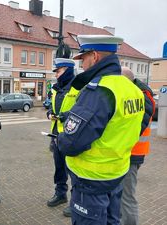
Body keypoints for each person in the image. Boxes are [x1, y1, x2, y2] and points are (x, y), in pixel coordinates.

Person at [57, 35, 146, 225]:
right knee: (112, 221)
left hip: (91, 180)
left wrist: (59, 139)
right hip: (117, 172)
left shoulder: (99, 90)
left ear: (95, 56)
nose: (81, 65)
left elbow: (72, 143)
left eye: (83, 58)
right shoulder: (132, 90)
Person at [120, 67, 155, 225]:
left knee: (127, 197)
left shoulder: (142, 97)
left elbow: (134, 129)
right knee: (122, 195)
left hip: (133, 154)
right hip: (129, 152)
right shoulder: (138, 94)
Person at [46, 58, 79, 217]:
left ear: (67, 70)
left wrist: (64, 116)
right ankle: (60, 194)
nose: (56, 74)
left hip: (72, 136)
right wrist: (50, 114)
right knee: (59, 168)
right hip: (56, 135)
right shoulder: (55, 89)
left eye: (58, 71)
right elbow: (51, 106)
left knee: (73, 170)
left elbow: (82, 111)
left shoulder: (79, 87)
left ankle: (76, 202)